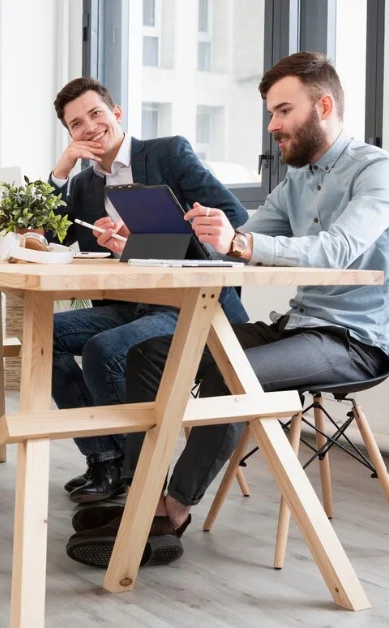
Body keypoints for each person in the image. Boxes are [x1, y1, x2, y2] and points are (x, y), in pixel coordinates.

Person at [64, 51, 389, 567]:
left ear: (324, 106)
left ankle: (171, 512)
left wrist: (241, 246)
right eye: (270, 114)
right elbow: (232, 241)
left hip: (352, 340)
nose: (273, 125)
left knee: (230, 373)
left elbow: (337, 249)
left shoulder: (379, 172)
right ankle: (142, 496)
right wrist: (137, 244)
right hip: (296, 327)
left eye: (283, 112)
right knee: (149, 355)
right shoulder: (298, 179)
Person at [44, 77, 250, 504]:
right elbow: (43, 231)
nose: (90, 127)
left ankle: (135, 471)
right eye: (76, 124)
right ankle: (106, 460)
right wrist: (58, 173)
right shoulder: (82, 185)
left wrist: (145, 237)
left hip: (190, 304)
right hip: (132, 305)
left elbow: (232, 215)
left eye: (96, 113)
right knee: (42, 334)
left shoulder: (167, 153)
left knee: (105, 350)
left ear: (116, 113)